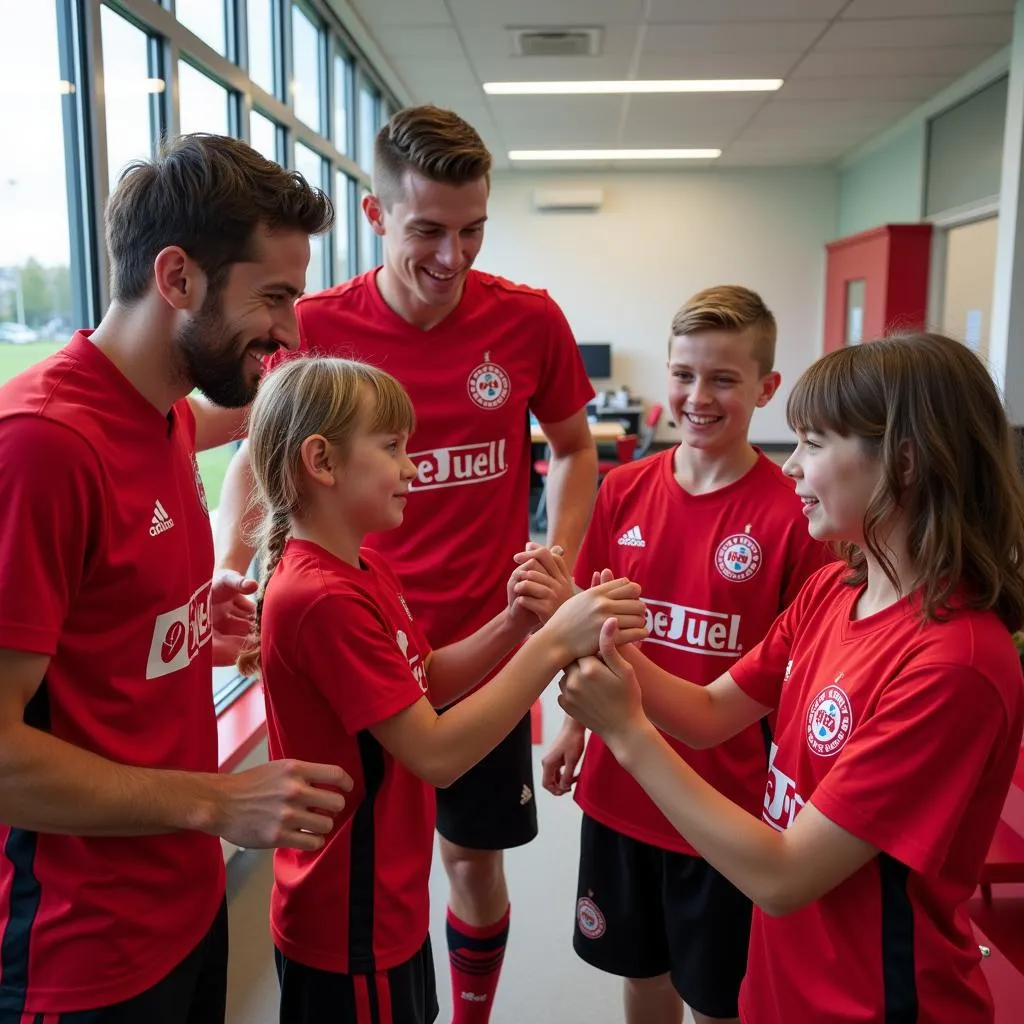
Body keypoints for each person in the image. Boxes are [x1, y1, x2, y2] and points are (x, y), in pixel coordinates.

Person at [215, 104, 599, 1020]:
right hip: (352, 649)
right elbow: (248, 454)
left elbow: (577, 448)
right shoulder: (310, 326)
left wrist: (548, 577)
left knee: (470, 858)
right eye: (428, 230)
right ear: (376, 213)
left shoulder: (529, 321)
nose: (452, 257)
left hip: (469, 648)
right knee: (362, 873)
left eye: (473, 232)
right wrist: (229, 564)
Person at [559, 331, 1024, 1024]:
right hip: (779, 985)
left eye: (812, 444)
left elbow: (783, 876)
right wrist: (602, 645)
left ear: (903, 460)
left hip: (870, 1001)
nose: (791, 468)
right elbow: (711, 712)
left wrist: (625, 731)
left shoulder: (953, 665)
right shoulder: (836, 590)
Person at [0, 134, 355, 1022]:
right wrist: (217, 801)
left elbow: (89, 648)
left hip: (183, 914)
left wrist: (188, 620)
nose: (289, 330)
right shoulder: (41, 447)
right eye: (273, 297)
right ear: (178, 278)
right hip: (76, 957)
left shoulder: (160, 416)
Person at [236, 355, 645, 1024]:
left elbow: (427, 679)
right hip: (347, 920)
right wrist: (552, 644)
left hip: (385, 905)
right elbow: (436, 751)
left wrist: (516, 622)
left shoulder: (363, 567)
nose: (412, 468)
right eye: (393, 448)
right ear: (322, 461)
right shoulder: (319, 598)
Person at [540, 285, 829, 1024]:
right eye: (684, 374)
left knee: (719, 999)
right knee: (642, 977)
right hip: (618, 792)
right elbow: (589, 631)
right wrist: (574, 727)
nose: (698, 396)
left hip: (721, 811)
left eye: (724, 379)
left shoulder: (790, 518)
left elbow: (789, 684)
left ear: (766, 388)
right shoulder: (623, 490)